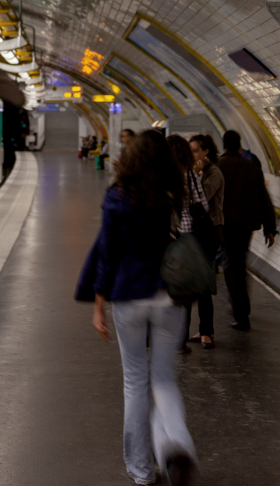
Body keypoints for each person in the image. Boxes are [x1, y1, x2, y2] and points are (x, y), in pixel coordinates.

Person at [90, 130, 197, 485]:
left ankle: (140, 471)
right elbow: (187, 233)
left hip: (129, 296)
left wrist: (99, 303)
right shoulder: (174, 193)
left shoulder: (117, 196)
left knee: (135, 382)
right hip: (169, 294)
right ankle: (177, 446)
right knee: (164, 378)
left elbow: (107, 253)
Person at [218, 130, 276, 331]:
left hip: (225, 227)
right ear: (239, 144)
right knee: (239, 265)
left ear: (224, 145)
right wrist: (270, 228)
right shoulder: (251, 167)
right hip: (246, 226)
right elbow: (264, 198)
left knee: (231, 267)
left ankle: (241, 315)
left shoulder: (217, 168)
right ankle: (242, 309)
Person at [165, 135, 210, 354]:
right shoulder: (192, 175)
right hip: (192, 241)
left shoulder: (166, 176)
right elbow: (204, 206)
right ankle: (180, 343)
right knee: (185, 292)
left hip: (171, 239)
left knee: (169, 291)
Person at [187, 135, 225, 349]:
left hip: (209, 233)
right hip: (196, 233)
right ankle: (204, 329)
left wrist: (197, 175)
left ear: (205, 152)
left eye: (195, 150)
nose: (192, 155)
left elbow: (201, 199)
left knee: (202, 284)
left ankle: (207, 331)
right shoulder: (196, 173)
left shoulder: (213, 173)